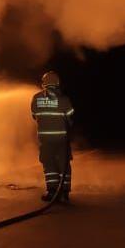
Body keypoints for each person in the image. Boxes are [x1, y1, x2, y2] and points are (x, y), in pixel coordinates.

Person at [30, 71, 74, 202]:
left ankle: (52, 191)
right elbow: (70, 116)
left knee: (49, 164)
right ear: (57, 83)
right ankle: (64, 192)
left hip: (45, 139)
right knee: (64, 164)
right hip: (62, 139)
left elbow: (34, 115)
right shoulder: (64, 99)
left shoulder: (36, 98)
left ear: (44, 83)